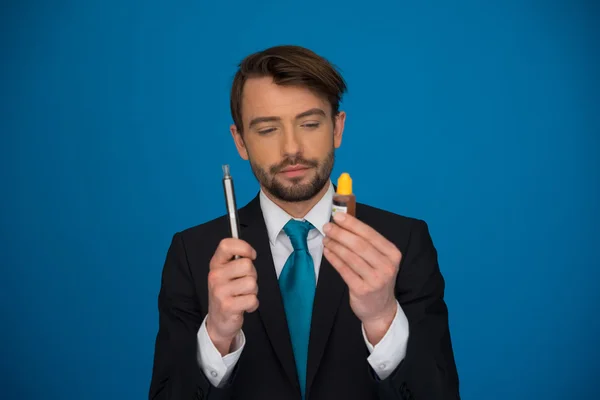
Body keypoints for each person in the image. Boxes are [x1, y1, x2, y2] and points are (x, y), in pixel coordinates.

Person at [148, 45, 460, 400]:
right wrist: (216, 336)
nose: (291, 148)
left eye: (310, 124)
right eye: (267, 130)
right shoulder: (192, 253)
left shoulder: (402, 242)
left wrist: (382, 319)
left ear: (337, 129)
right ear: (240, 142)